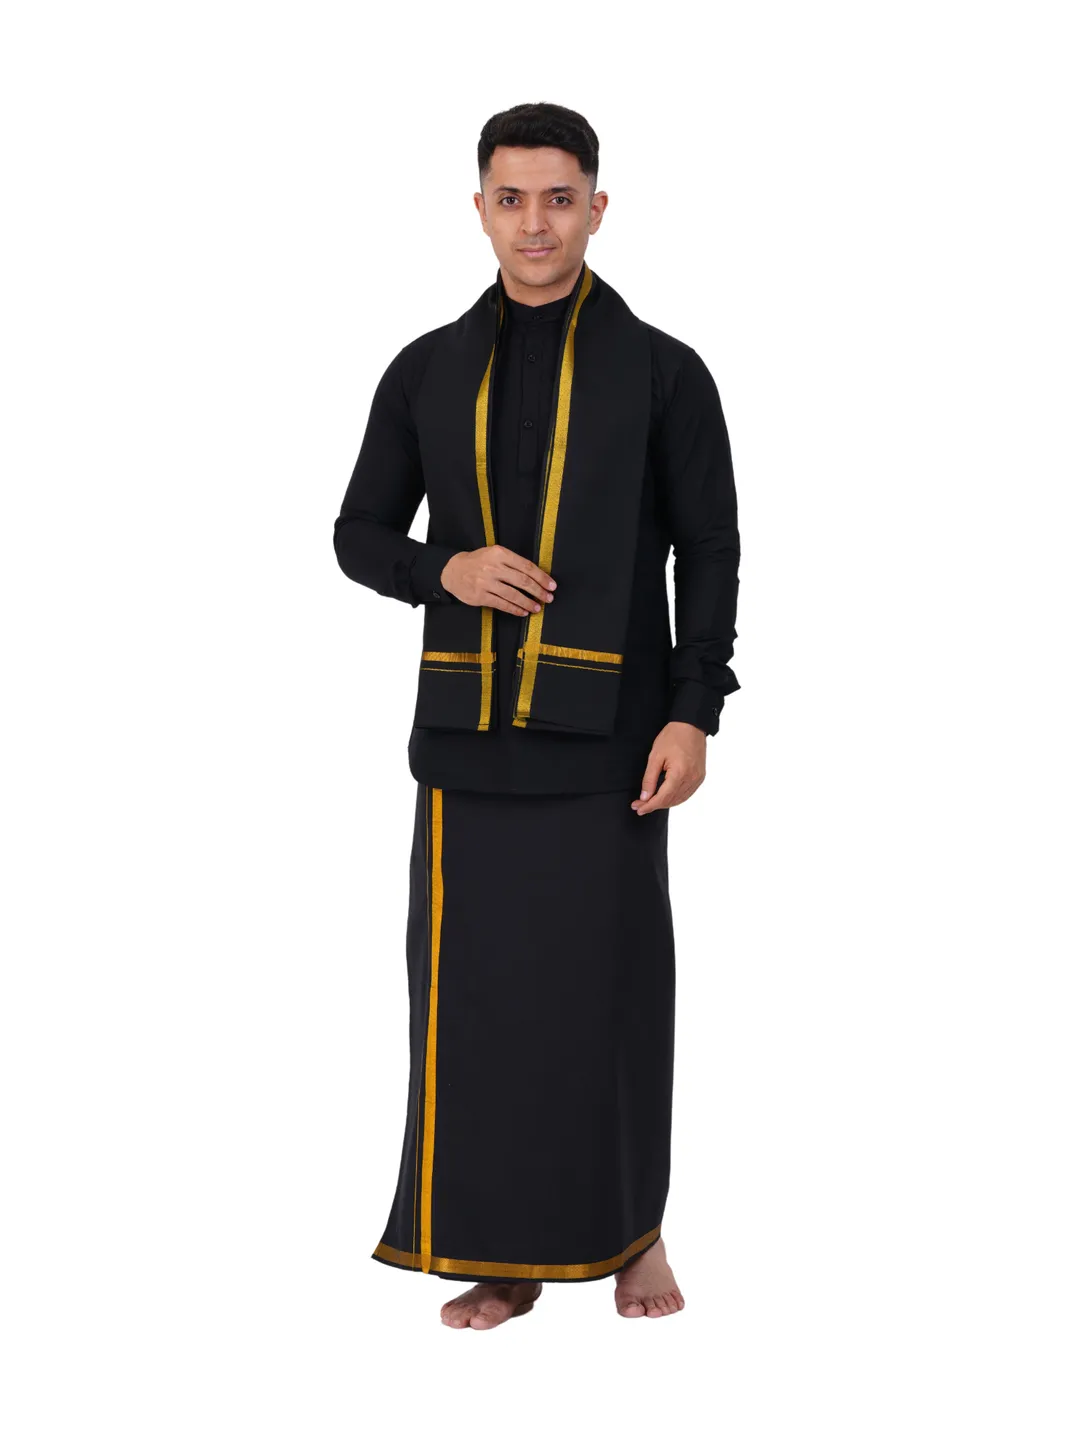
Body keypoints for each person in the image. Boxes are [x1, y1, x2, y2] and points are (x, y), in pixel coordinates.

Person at [333, 101, 740, 1330]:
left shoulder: (665, 372)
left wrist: (694, 712)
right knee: (476, 1017)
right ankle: (500, 1254)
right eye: (511, 198)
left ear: (597, 208)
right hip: (467, 753)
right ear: (479, 210)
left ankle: (634, 1235)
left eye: (559, 198)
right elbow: (357, 534)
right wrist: (443, 570)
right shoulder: (426, 369)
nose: (535, 223)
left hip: (612, 745)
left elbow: (710, 553)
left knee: (609, 1005)